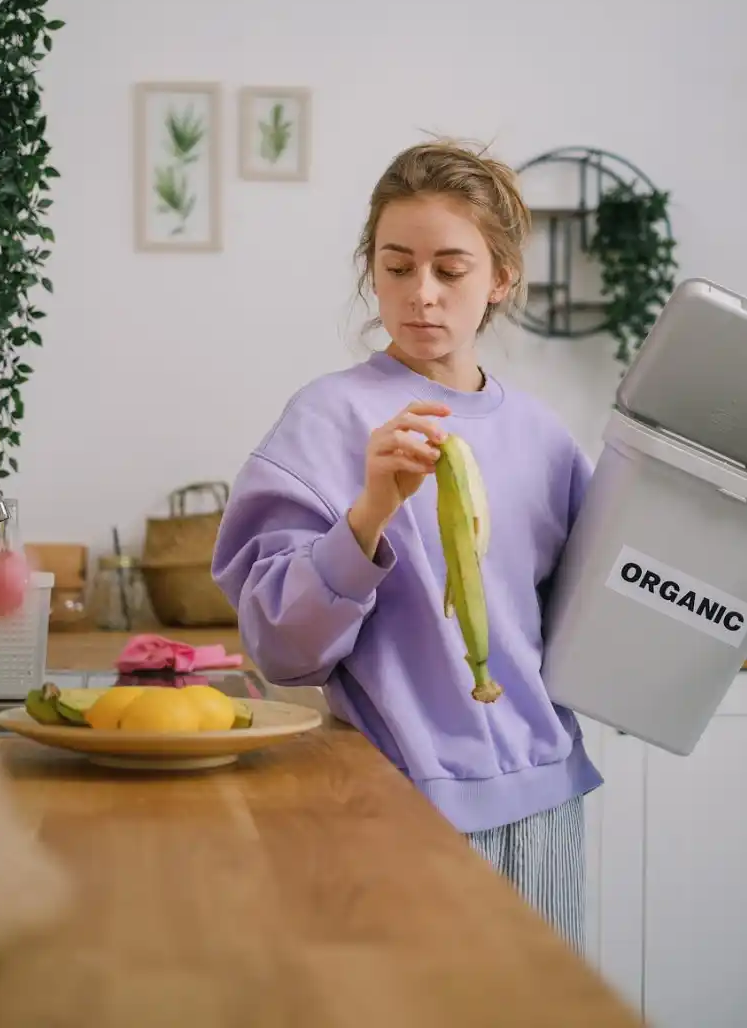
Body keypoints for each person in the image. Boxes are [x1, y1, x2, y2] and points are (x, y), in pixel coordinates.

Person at [211, 138, 603, 952]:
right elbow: (280, 649)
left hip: (549, 800)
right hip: (394, 802)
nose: (421, 295)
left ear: (499, 278)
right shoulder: (327, 420)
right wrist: (369, 514)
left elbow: (583, 622)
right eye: (397, 267)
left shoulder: (546, 438)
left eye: (450, 270)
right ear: (372, 272)